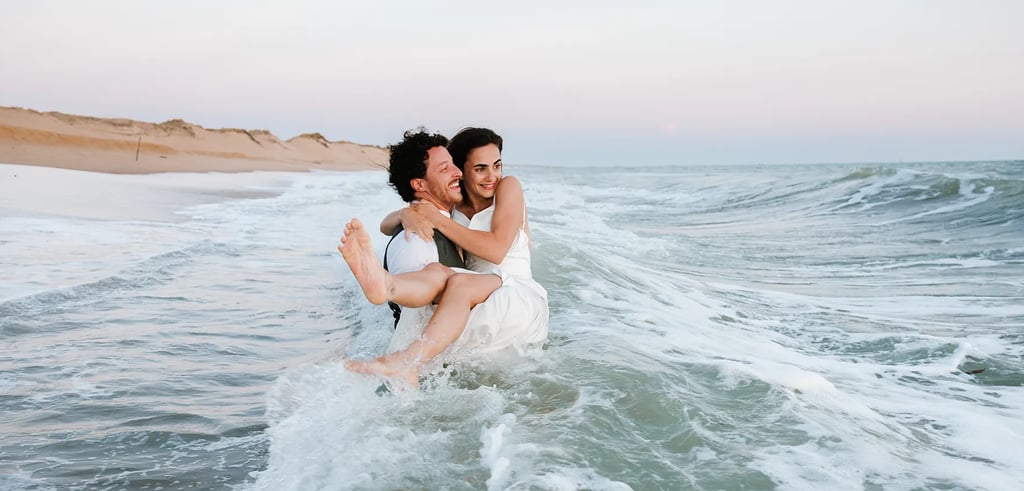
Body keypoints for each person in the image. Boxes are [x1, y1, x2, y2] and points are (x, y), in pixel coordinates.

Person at [340, 128, 548, 387]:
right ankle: (386, 285)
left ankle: (407, 360)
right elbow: (387, 224)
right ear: (463, 170)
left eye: (497, 165)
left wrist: (435, 219)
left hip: (517, 293)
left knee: (458, 283)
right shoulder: (455, 203)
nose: (492, 176)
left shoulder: (508, 188)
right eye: (480, 168)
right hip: (476, 295)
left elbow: (496, 250)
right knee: (438, 271)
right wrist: (406, 214)